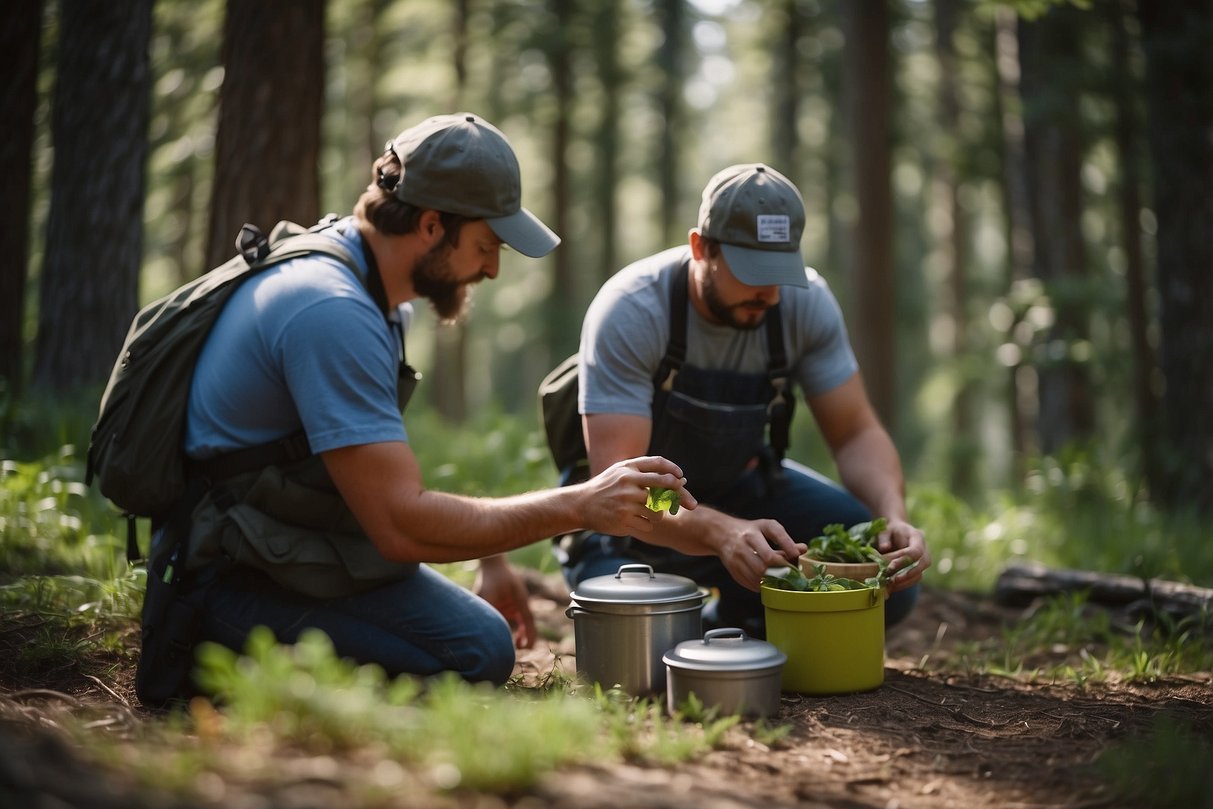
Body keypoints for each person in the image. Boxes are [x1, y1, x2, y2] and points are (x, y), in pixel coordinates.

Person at [177, 113, 695, 688]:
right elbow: (400, 524)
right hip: (231, 573)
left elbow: (382, 473)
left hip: (296, 546)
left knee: (477, 640)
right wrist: (579, 504)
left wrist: (492, 559)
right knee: (477, 651)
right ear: (430, 225)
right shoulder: (332, 310)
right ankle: (213, 650)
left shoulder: (372, 294)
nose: (493, 270)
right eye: (485, 245)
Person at [559, 162, 928, 637]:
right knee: (637, 644)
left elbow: (856, 431)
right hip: (629, 526)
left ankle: (734, 616)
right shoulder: (633, 309)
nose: (769, 294)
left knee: (884, 586)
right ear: (700, 248)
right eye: (753, 272)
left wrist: (892, 514)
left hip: (742, 489)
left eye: (780, 272)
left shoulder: (805, 303)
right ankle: (706, 618)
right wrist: (719, 532)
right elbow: (623, 483)